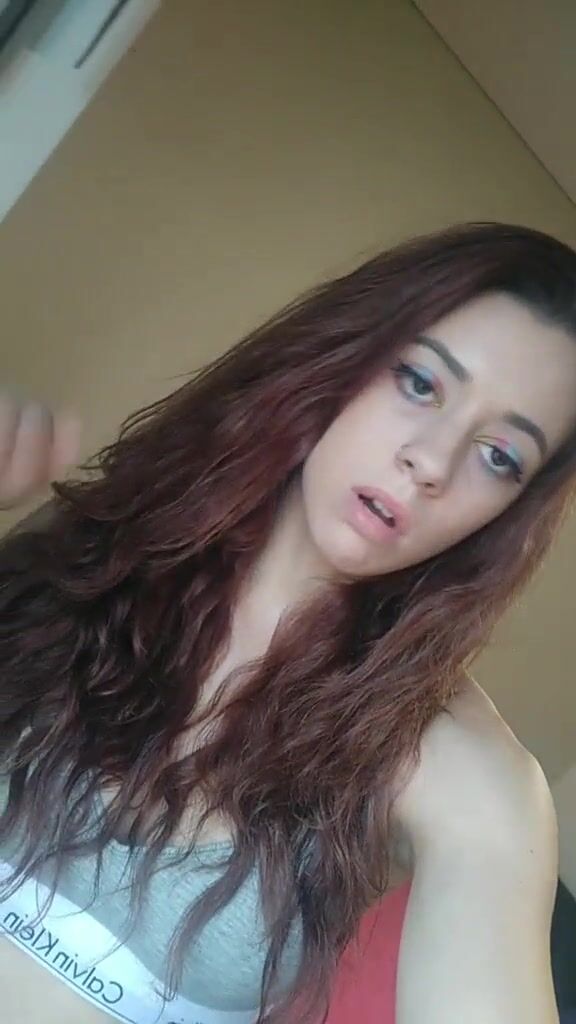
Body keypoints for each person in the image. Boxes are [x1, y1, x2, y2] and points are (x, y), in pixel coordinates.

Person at [0, 220, 574, 1024]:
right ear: (345, 360)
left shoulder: (449, 767)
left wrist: (510, 830)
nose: (431, 461)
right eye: (419, 383)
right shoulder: (101, 548)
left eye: (499, 456)